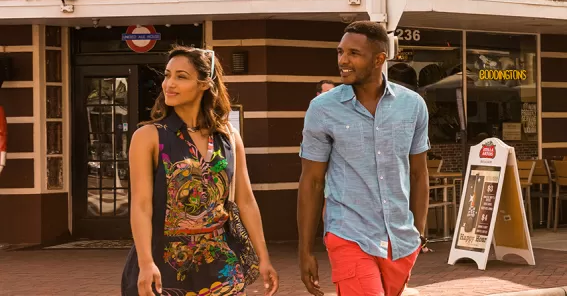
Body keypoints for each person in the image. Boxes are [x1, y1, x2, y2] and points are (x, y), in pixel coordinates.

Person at [121, 46, 279, 296]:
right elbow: (141, 206)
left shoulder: (228, 137)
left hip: (221, 268)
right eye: (167, 75)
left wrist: (263, 257)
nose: (169, 84)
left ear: (205, 84)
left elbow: (246, 201)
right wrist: (145, 262)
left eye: (181, 77)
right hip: (166, 265)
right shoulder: (149, 137)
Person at [297, 21, 430, 296]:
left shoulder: (413, 105)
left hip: (400, 241)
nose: (343, 61)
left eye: (353, 54)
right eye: (340, 52)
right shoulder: (323, 109)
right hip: (348, 233)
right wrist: (305, 250)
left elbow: (418, 173)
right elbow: (311, 181)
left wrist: (418, 232)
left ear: (379, 59)